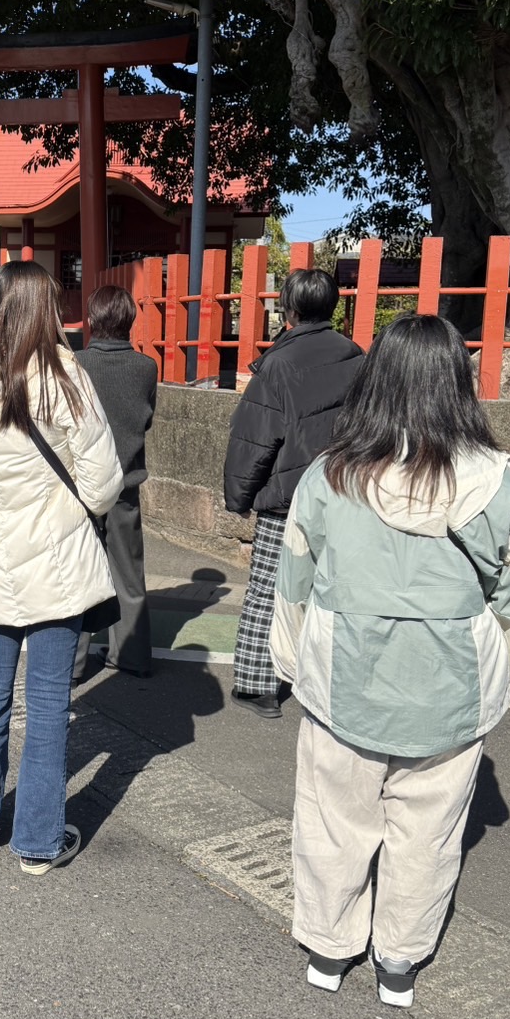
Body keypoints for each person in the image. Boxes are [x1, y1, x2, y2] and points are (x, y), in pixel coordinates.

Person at [270, 314, 510, 1007]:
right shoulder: (502, 487)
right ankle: (399, 961)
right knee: (427, 833)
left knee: (334, 820)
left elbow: (295, 579)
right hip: (451, 687)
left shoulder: (329, 476)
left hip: (343, 677)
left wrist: (291, 657)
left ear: (377, 380)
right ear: (458, 383)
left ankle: (329, 948)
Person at [0, 261, 123, 874]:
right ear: (48, 308)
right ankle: (38, 841)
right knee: (46, 704)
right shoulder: (64, 374)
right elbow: (102, 485)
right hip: (55, 564)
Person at [223, 268, 362, 719]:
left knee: (269, 589)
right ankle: (326, 681)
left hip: (287, 498)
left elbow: (254, 438)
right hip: (344, 494)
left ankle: (257, 685)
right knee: (334, 592)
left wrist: (239, 497)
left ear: (289, 308)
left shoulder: (279, 363)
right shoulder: (357, 358)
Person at [72, 284, 159, 680]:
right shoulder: (146, 367)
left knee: (79, 575)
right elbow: (146, 418)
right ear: (130, 320)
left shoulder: (75, 364)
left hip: (80, 487)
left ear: (93, 319)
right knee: (128, 574)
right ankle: (132, 654)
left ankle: (71, 663)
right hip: (125, 485)